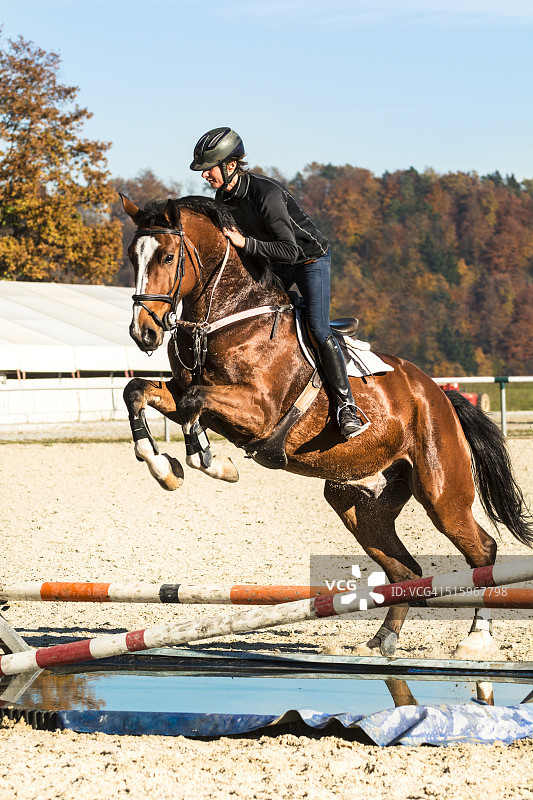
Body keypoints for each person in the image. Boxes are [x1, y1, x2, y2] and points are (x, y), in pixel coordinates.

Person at [190, 127, 369, 439]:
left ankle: (346, 405)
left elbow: (290, 249)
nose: (205, 176)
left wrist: (246, 244)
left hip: (308, 260)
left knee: (317, 328)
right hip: (276, 262)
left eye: (209, 169)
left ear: (230, 166)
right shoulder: (224, 197)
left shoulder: (266, 195)